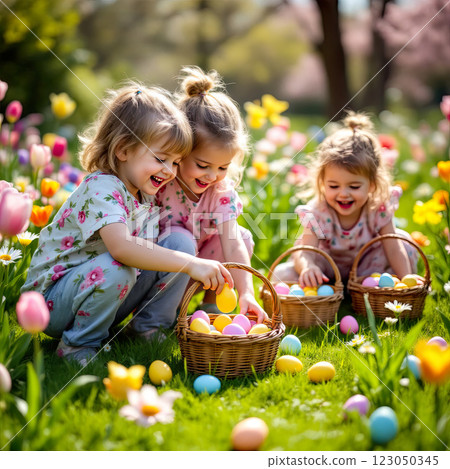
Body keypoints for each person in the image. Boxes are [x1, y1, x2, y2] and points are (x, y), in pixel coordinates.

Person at [21, 81, 233, 365]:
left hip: (104, 288)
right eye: (161, 159)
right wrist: (190, 264)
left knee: (180, 242)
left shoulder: (143, 192)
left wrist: (186, 257)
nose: (170, 171)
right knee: (120, 268)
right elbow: (121, 249)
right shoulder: (101, 188)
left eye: (176, 162)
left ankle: (147, 329)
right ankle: (76, 346)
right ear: (123, 149)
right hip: (52, 302)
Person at [156, 66, 267, 322]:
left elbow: (232, 243)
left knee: (241, 235)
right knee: (180, 237)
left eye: (223, 167)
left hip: (201, 273)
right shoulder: (162, 184)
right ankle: (156, 319)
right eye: (203, 165)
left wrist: (246, 292)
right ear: (181, 150)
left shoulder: (220, 191)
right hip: (162, 273)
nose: (212, 175)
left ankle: (210, 305)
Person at [273, 111, 418, 287]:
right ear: (322, 183)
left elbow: (393, 248)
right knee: (283, 274)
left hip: (367, 269)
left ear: (372, 184)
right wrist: (308, 267)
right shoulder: (319, 212)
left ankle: (367, 288)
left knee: (405, 242)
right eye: (334, 186)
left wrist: (407, 280)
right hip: (327, 270)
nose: (343, 194)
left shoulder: (377, 208)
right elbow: (306, 252)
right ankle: (331, 290)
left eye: (354, 187)